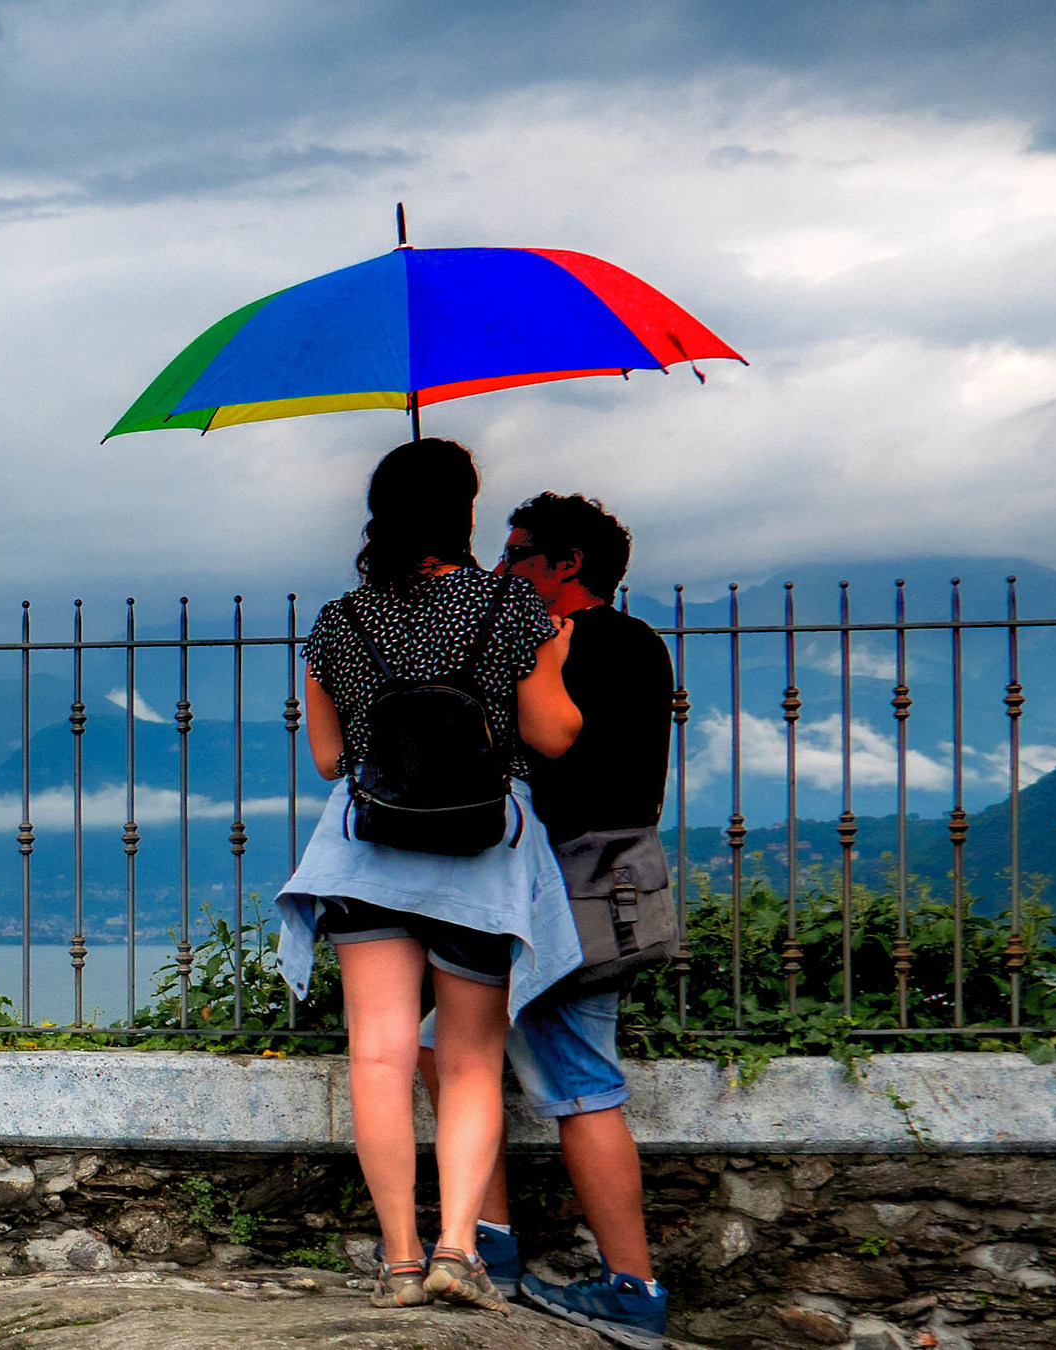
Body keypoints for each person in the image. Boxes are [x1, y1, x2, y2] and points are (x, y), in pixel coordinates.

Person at [271, 439, 585, 1314]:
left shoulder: (340, 620)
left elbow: (332, 760)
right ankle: (458, 1251)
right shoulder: (510, 607)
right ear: (466, 510)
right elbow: (555, 737)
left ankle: (400, 1262)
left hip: (371, 852)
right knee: (472, 1062)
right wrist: (550, 659)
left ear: (378, 512)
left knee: (376, 1056)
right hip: (479, 857)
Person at [419, 491, 673, 1348]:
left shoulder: (588, 646)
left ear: (568, 565)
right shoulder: (636, 646)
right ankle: (489, 1243)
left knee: (579, 1083)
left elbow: (552, 748)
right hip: (585, 882)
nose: (502, 567)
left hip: (566, 889)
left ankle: (632, 1289)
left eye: (520, 553)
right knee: (441, 1047)